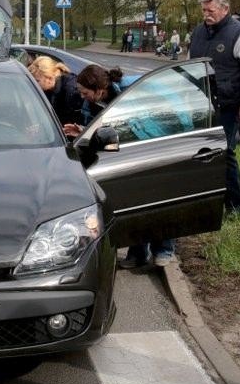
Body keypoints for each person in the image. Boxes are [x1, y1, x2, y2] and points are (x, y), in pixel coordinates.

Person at [63, 64, 176, 268]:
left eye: (85, 92)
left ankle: (164, 249)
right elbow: (99, 129)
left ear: (99, 89)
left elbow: (145, 122)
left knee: (156, 199)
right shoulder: (91, 103)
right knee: (133, 202)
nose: (82, 97)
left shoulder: (129, 92)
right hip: (123, 153)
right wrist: (82, 131)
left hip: (149, 147)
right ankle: (138, 253)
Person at [189, 0, 240, 216]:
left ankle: (235, 206)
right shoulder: (199, 32)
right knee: (201, 154)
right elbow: (191, 66)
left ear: (225, 9)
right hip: (202, 104)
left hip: (229, 105)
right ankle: (206, 202)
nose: (206, 14)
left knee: (225, 153)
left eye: (210, 10)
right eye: (203, 10)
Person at [27, 56, 83, 126]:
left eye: (37, 80)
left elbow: (74, 121)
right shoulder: (47, 89)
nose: (34, 84)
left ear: (49, 78)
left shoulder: (70, 90)